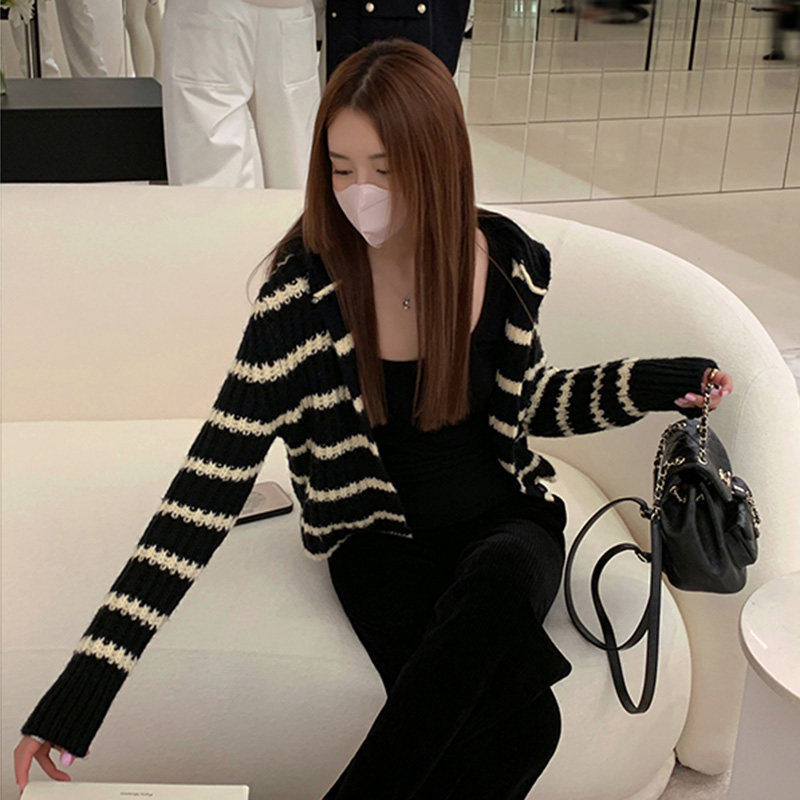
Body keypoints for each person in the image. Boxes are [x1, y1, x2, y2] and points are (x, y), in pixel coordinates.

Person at [13, 37, 733, 799]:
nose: (361, 193)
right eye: (341, 168)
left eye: (385, 170)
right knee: (525, 730)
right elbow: (204, 492)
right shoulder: (299, 301)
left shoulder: (508, 261)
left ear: (439, 161)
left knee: (496, 587)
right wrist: (80, 693)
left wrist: (652, 384)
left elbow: (530, 404)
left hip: (507, 520)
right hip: (376, 542)